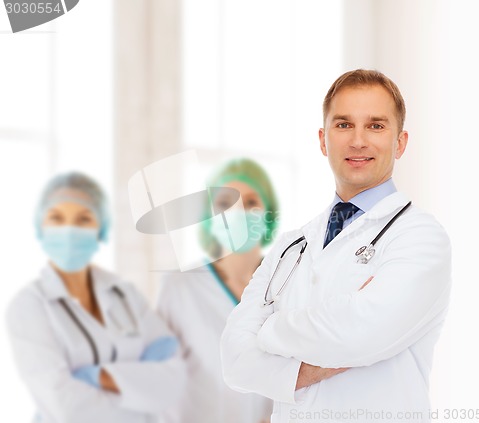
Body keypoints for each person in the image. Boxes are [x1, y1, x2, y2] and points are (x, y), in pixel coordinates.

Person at [220, 70, 452, 423]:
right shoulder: (290, 246)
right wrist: (306, 371)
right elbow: (234, 360)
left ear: (400, 142)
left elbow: (361, 332)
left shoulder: (420, 237)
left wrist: (269, 330)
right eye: (343, 125)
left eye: (376, 126)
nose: (358, 141)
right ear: (323, 140)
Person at [5, 171, 186, 423]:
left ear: (101, 228)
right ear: (41, 227)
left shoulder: (125, 294)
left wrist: (94, 377)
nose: (69, 230)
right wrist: (139, 394)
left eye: (83, 219)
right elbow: (65, 407)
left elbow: (173, 380)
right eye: (56, 218)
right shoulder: (29, 306)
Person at [156, 158, 278, 423]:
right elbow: (160, 387)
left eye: (251, 203)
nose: (238, 213)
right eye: (225, 204)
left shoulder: (288, 285)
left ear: (268, 215)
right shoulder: (180, 288)